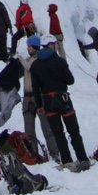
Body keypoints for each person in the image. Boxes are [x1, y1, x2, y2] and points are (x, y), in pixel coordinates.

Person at [31, 37, 89, 166]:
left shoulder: (35, 65)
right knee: (73, 131)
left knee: (58, 134)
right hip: (63, 99)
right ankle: (83, 158)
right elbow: (70, 80)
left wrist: (39, 105)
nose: (57, 46)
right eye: (55, 44)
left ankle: (67, 161)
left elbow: (35, 88)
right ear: (50, 45)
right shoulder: (59, 61)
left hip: (48, 102)